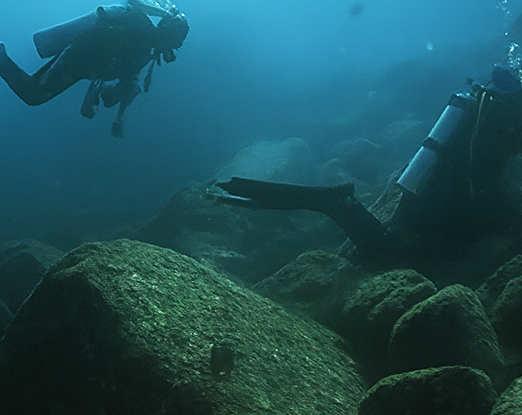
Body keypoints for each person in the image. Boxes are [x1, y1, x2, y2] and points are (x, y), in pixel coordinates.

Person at [213, 65, 522, 275]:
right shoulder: (499, 124)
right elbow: (482, 181)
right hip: (443, 198)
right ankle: (339, 205)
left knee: (393, 250)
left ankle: (339, 204)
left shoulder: (490, 112)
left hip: (431, 185)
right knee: (393, 260)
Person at [0, 0, 190, 137]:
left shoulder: (144, 45)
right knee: (32, 95)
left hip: (79, 63)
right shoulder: (140, 33)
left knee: (32, 94)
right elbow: (117, 58)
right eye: (177, 40)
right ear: (168, 34)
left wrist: (118, 112)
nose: (175, 48)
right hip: (75, 61)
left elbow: (127, 79)